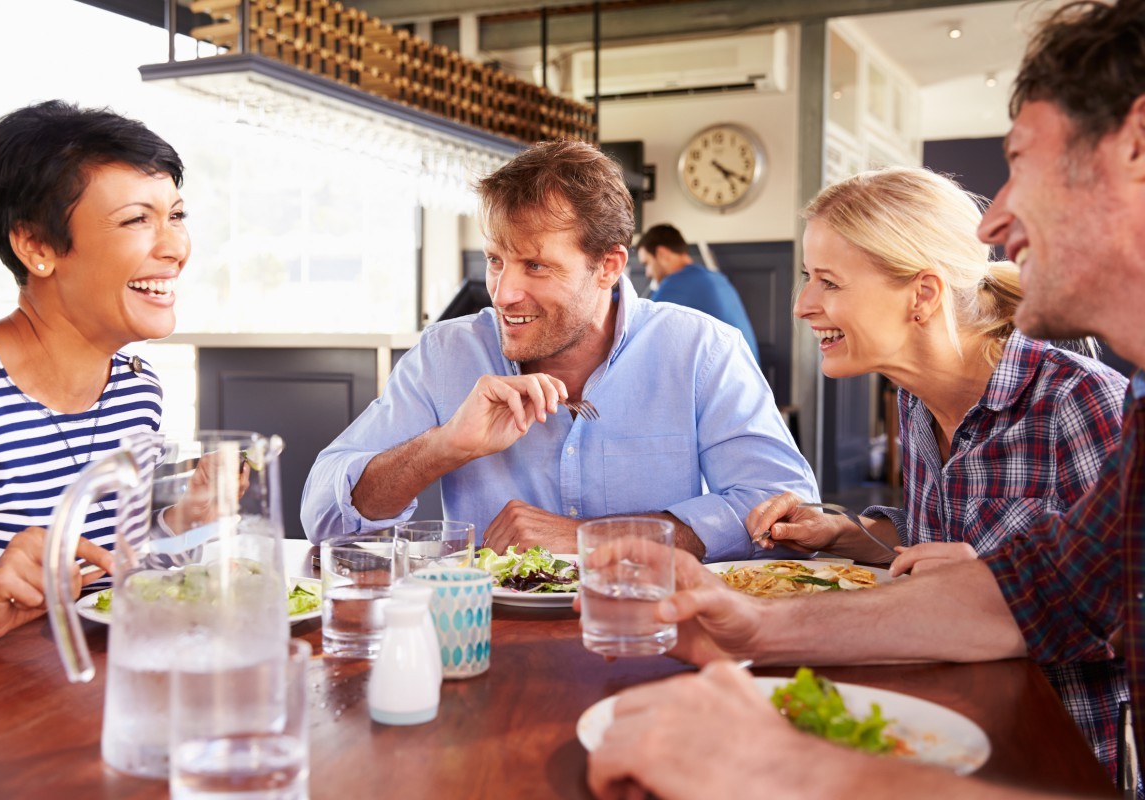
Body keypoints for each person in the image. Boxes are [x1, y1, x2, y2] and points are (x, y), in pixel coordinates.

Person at [586, 1, 1145, 797]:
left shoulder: (1091, 404)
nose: (996, 217)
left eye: (1021, 161)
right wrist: (756, 625)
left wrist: (785, 765)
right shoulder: (932, 410)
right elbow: (1038, 595)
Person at [747, 166, 1128, 770]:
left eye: (828, 282)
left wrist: (999, 584)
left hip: (1054, 760)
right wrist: (850, 534)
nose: (801, 306)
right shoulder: (915, 399)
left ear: (922, 294)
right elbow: (945, 544)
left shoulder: (1080, 403)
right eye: (805, 278)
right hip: (934, 734)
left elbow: (1124, 605)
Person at [301, 140, 817, 561]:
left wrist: (592, 538)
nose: (503, 294)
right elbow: (323, 518)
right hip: (488, 645)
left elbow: (786, 510)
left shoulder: (701, 351)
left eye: (536, 266)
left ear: (610, 267)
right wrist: (443, 447)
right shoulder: (446, 352)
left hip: (654, 640)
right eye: (496, 260)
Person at [0, 101, 189, 657]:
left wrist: (180, 522)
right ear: (36, 247)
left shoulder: (136, 390)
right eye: (136, 219)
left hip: (98, 708)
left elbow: (113, 578)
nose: (175, 248)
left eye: (175, 215)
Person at [636, 224, 760, 362]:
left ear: (662, 254)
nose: (648, 273)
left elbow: (642, 336)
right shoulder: (716, 279)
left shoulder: (676, 285)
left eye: (647, 263)